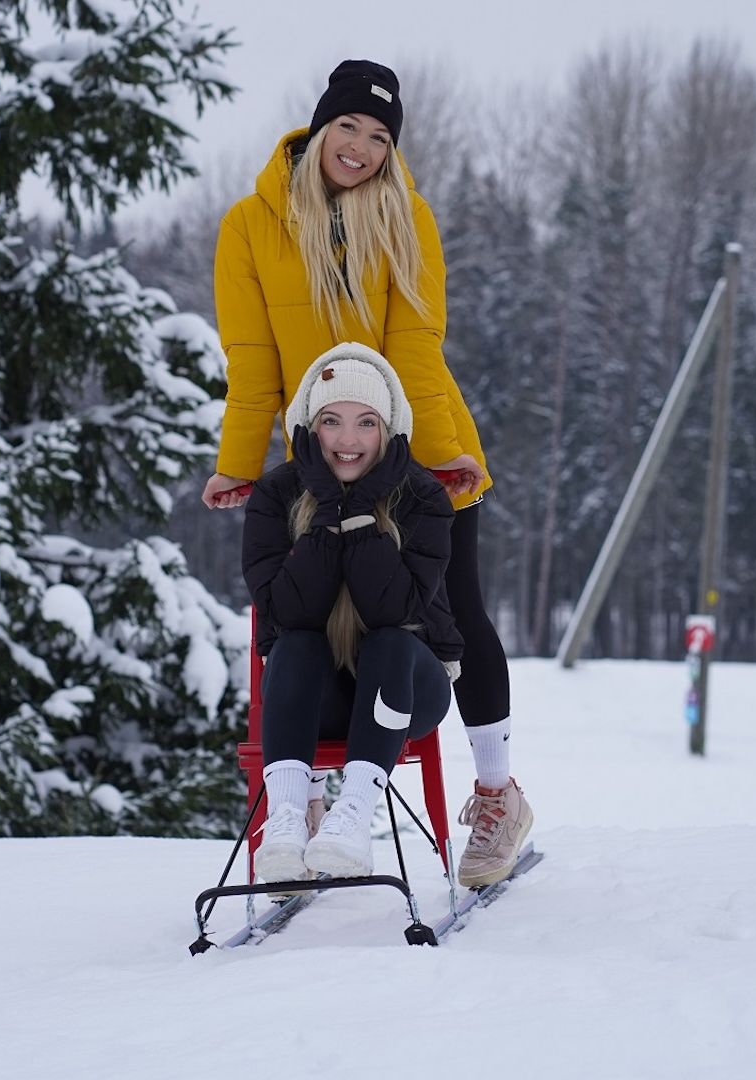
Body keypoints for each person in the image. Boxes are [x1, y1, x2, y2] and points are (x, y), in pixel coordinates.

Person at [200, 59, 531, 887]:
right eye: (348, 127)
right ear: (318, 129)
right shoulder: (249, 226)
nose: (361, 148)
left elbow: (418, 346)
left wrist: (440, 459)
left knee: (456, 609)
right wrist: (240, 464)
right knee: (307, 620)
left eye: (380, 137)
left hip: (418, 450)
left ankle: (498, 797)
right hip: (319, 461)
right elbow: (252, 363)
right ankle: (304, 792)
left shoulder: (406, 218)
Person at [245, 345, 459, 882]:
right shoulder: (278, 494)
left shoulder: (422, 497)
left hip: (407, 693)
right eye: (331, 422)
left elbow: (397, 610)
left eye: (366, 423)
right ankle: (289, 819)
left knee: (389, 639)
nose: (348, 440)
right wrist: (324, 510)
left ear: (388, 430)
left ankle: (354, 816)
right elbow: (286, 614)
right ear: (309, 428)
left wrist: (361, 516)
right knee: (294, 643)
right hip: (316, 700)